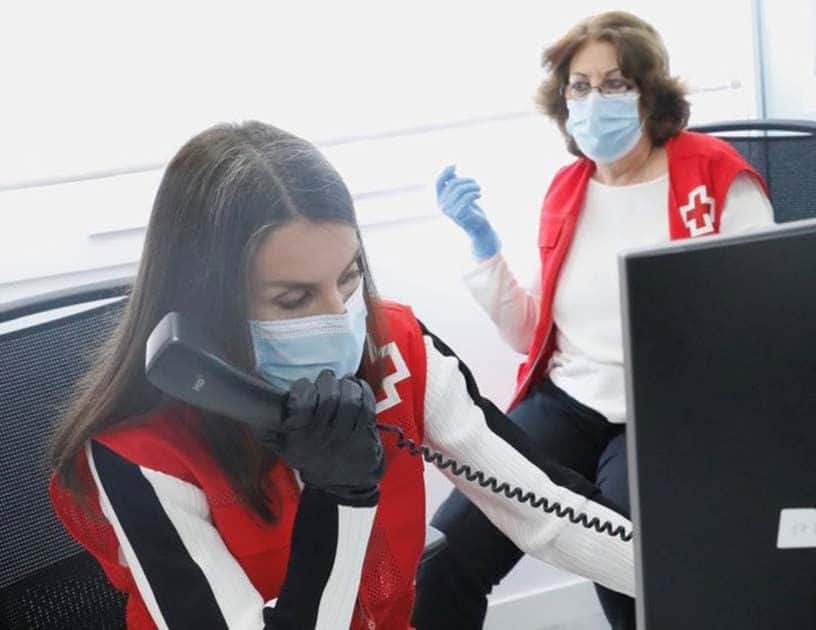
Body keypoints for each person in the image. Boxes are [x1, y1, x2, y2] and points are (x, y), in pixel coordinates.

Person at [47, 121, 633, 630]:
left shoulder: (396, 351)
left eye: (348, 278)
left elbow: (546, 512)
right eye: (294, 298)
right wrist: (339, 496)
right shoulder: (140, 451)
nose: (338, 320)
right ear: (207, 304)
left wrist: (695, 578)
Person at [417, 11, 773, 629]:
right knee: (447, 560)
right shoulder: (568, 189)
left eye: (614, 83)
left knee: (629, 564)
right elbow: (535, 334)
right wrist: (483, 249)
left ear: (649, 92)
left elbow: (764, 323)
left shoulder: (716, 177)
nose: (593, 100)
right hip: (570, 403)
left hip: (667, 413)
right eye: (579, 86)